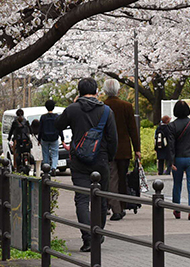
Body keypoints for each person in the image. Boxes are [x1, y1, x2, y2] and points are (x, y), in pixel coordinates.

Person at [55, 77, 118, 253]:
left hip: (79, 160)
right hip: (101, 160)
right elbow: (113, 138)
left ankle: (88, 238)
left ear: (79, 92)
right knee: (101, 199)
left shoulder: (73, 109)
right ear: (97, 92)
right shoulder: (106, 111)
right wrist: (109, 157)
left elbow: (57, 124)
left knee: (82, 199)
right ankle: (98, 234)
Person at [101, 79, 141, 221]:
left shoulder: (102, 106)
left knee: (111, 178)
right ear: (118, 90)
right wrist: (137, 149)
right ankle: (121, 207)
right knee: (122, 178)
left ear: (105, 91)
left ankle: (114, 207)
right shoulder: (126, 106)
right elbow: (132, 129)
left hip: (107, 149)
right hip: (124, 149)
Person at [165, 100, 190, 221]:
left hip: (178, 159)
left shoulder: (172, 126)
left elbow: (170, 145)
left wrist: (171, 162)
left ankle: (177, 209)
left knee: (177, 184)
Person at [37, 99, 62, 173]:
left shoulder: (43, 117)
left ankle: (46, 168)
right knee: (55, 154)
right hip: (54, 138)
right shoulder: (56, 117)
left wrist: (39, 139)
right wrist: (62, 138)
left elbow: (40, 129)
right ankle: (54, 168)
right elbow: (59, 128)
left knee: (45, 154)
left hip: (45, 138)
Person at [9, 109, 33, 174]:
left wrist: (9, 138)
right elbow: (31, 130)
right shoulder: (26, 121)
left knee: (18, 153)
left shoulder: (15, 122)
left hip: (18, 140)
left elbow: (11, 131)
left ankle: (18, 167)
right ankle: (29, 163)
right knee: (28, 152)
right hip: (26, 140)